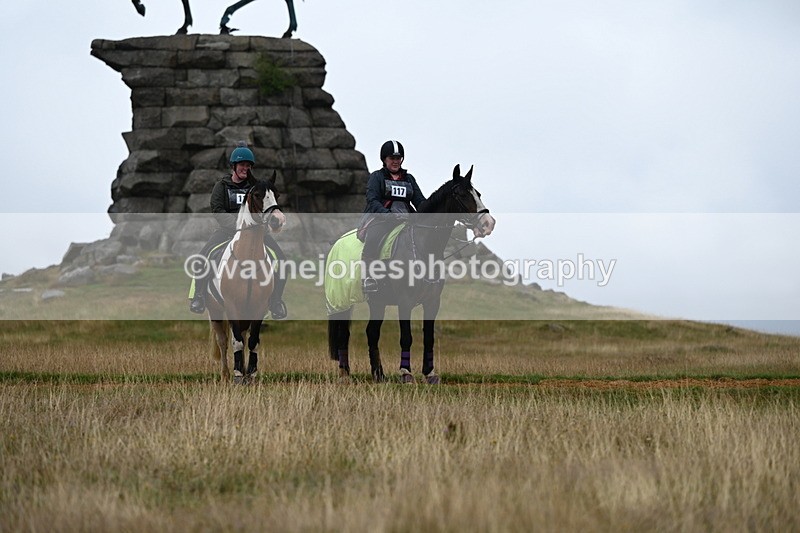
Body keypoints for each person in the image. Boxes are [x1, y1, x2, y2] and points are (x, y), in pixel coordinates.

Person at [188, 141, 288, 319]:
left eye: (249, 166)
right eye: (242, 165)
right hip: (226, 231)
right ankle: (200, 296)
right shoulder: (222, 186)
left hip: (256, 234)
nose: (245, 168)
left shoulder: (255, 187)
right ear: (234, 166)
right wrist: (238, 226)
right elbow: (217, 210)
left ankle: (276, 301)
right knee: (203, 256)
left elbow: (266, 207)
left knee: (282, 260)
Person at [359, 140, 427, 292]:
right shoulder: (377, 177)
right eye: (392, 158)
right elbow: (372, 200)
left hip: (406, 219)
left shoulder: (409, 179)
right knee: (373, 237)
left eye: (399, 158)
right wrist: (387, 215)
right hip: (382, 218)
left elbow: (419, 201)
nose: (396, 161)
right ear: (384, 159)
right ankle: (369, 278)